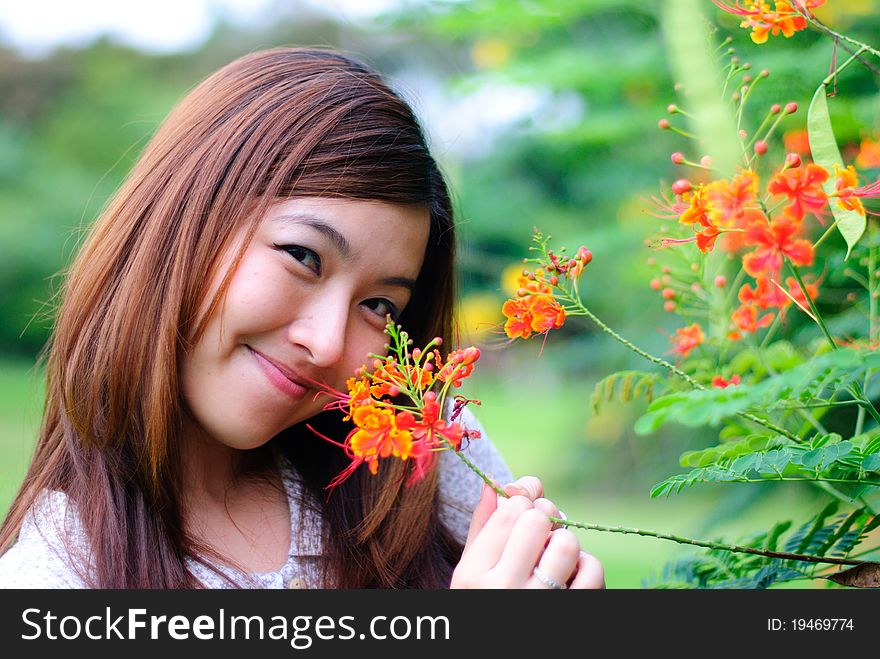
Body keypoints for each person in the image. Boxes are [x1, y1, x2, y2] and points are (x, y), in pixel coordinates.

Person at [0, 47, 605, 590]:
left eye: (379, 306)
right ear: (179, 226)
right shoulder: (53, 578)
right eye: (303, 257)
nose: (325, 344)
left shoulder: (414, 437)